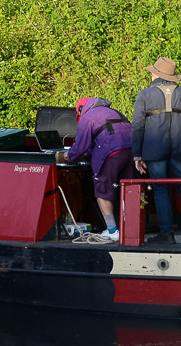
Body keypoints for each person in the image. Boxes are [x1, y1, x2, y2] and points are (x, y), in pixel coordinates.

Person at [132, 57, 181, 244]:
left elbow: (138, 126)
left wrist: (137, 154)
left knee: (160, 191)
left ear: (156, 74)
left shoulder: (144, 95)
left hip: (154, 149)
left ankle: (167, 234)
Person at [55, 96, 134, 241]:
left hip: (111, 153)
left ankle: (112, 231)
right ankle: (131, 229)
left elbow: (80, 147)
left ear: (81, 110)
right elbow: (104, 137)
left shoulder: (88, 117)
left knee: (103, 192)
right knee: (128, 190)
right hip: (131, 151)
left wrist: (67, 155)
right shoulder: (115, 112)